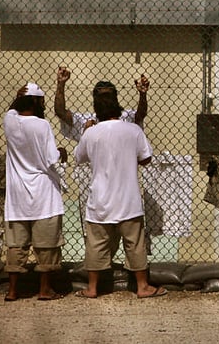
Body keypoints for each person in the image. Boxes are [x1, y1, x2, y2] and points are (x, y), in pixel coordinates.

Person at [72, 93, 166, 299]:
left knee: (96, 244)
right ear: (119, 109)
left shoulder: (91, 132)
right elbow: (146, 159)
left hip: (100, 200)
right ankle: (142, 286)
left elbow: (79, 157)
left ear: (97, 111)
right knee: (134, 243)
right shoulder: (133, 130)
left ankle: (92, 288)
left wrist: (86, 132)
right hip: (128, 199)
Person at [3, 82, 68, 301]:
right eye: (41, 100)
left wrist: (16, 96)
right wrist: (62, 154)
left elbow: (11, 110)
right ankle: (44, 289)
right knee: (46, 245)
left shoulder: (9, 122)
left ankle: (12, 290)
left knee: (16, 244)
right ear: (36, 101)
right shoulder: (42, 126)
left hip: (17, 194)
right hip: (43, 193)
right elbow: (51, 159)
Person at [54, 66, 149, 142]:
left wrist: (143, 94)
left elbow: (140, 115)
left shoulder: (124, 118)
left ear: (115, 99)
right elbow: (61, 112)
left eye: (108, 97)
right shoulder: (88, 121)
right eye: (101, 98)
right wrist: (61, 84)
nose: (105, 101)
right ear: (95, 100)